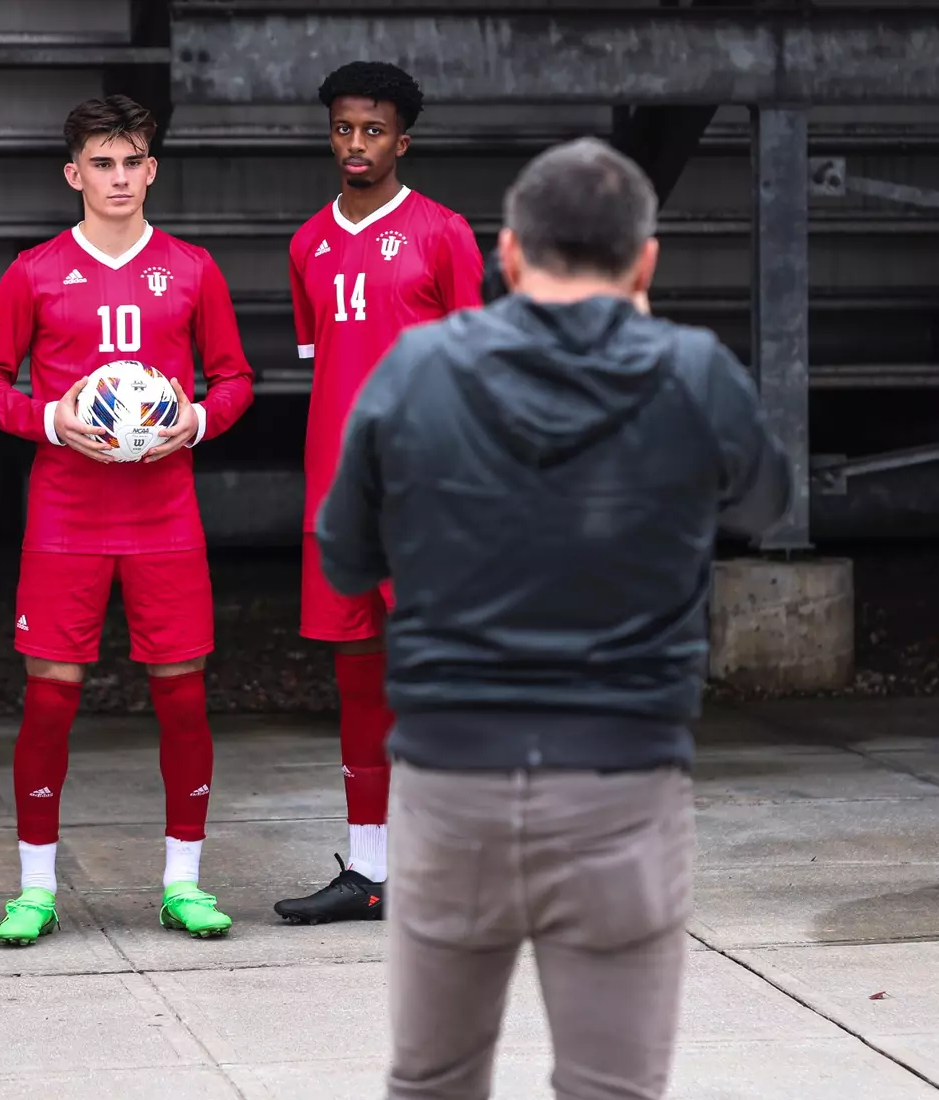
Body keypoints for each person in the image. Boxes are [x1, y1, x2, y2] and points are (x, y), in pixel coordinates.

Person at [316, 137, 792, 1098]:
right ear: (646, 262)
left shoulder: (417, 369)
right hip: (621, 782)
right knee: (610, 1087)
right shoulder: (691, 372)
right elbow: (764, 505)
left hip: (454, 785)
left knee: (434, 1080)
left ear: (507, 253)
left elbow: (346, 554)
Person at [0, 95, 256, 946]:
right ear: (74, 174)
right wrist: (51, 418)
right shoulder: (34, 271)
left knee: (184, 701)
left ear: (151, 169)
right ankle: (36, 888)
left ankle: (183, 883)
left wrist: (195, 420)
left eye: (132, 162)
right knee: (50, 703)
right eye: (102, 163)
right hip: (65, 516)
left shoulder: (195, 269)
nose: (118, 178)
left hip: (166, 515)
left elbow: (235, 379)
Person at [274, 61, 485, 925]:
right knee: (359, 683)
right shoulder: (306, 245)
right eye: (343, 129)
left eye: (373, 130)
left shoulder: (443, 233)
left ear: (404, 138)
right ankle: (369, 873)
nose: (356, 144)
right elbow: (331, 375)